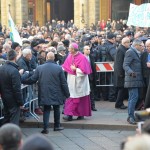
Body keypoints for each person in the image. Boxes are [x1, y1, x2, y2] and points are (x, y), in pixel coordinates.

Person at [22, 52, 70, 134]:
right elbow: (63, 82)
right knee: (56, 108)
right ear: (54, 58)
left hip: (44, 91)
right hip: (56, 91)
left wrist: (23, 80)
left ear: (47, 57)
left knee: (46, 109)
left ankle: (45, 128)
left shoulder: (40, 68)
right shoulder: (58, 68)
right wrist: (67, 93)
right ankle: (57, 126)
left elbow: (33, 79)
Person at [62, 43, 92, 121]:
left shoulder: (82, 58)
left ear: (73, 49)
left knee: (80, 98)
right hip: (71, 80)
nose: (68, 50)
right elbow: (65, 66)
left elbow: (85, 71)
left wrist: (76, 69)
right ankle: (69, 114)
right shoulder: (69, 56)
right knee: (71, 97)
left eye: (70, 49)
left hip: (80, 81)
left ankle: (80, 114)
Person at [123, 39, 144, 125]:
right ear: (136, 46)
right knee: (133, 98)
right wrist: (131, 73)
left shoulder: (136, 52)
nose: (143, 47)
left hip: (135, 79)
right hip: (132, 79)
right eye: (141, 46)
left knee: (134, 98)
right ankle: (130, 117)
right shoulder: (130, 52)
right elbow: (125, 65)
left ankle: (131, 116)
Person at [0, 50, 24, 125]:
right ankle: (13, 135)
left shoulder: (2, 68)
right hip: (13, 98)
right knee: (14, 118)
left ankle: (4, 133)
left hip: (4, 96)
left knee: (6, 116)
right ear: (15, 57)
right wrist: (20, 102)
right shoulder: (14, 71)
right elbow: (16, 88)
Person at [114, 37, 130, 109]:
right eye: (128, 42)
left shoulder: (122, 49)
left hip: (121, 73)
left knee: (122, 89)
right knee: (122, 89)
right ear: (125, 43)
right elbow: (119, 62)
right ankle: (119, 104)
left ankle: (119, 103)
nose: (129, 44)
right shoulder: (121, 49)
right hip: (121, 73)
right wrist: (121, 73)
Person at [83, 45, 97, 111]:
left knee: (91, 92)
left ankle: (92, 106)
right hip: (83, 77)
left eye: (89, 49)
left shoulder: (91, 57)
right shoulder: (81, 58)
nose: (88, 50)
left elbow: (94, 68)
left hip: (90, 77)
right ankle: (85, 106)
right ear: (83, 50)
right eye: (86, 49)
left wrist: (95, 77)